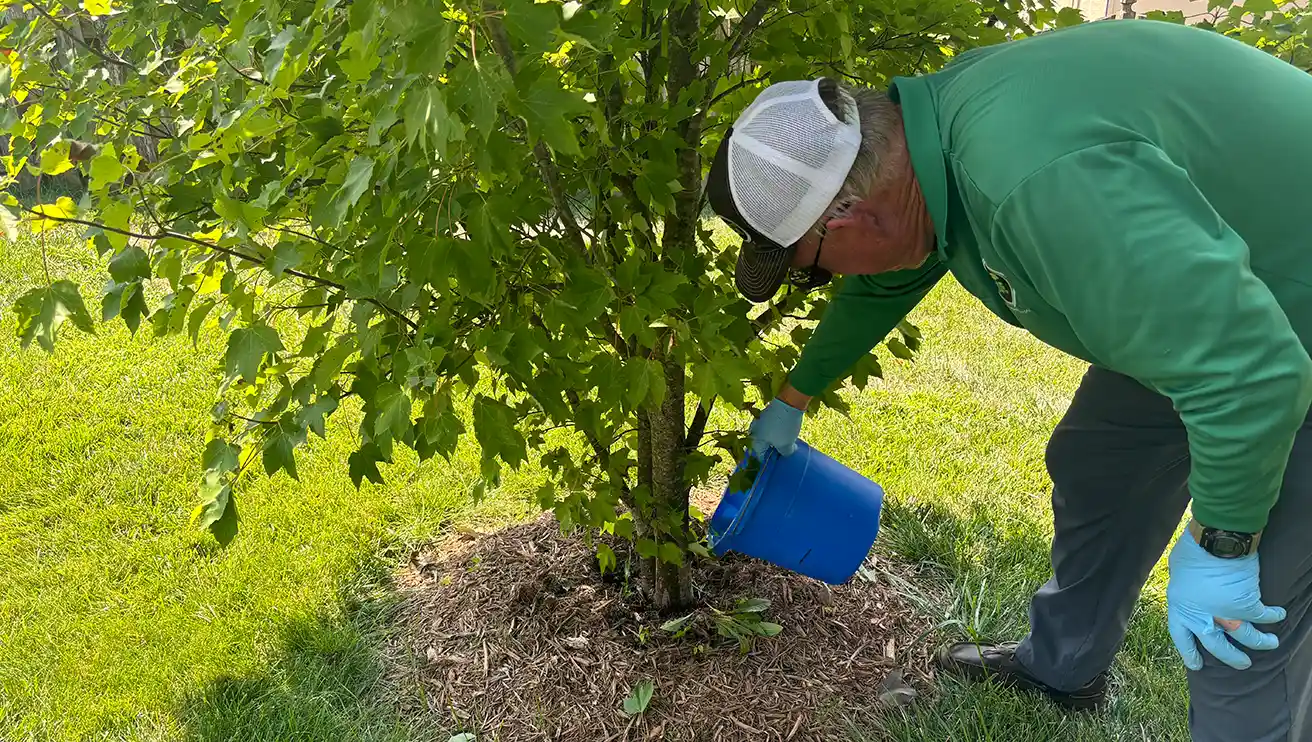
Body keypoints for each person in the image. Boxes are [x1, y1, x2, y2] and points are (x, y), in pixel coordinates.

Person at [704, 18, 1312, 742]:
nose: (824, 279)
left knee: (1238, 630)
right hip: (1217, 302)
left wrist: (1223, 549)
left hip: (1278, 333)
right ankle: (1064, 665)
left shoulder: (1035, 180)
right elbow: (887, 280)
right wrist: (793, 399)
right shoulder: (927, 147)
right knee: (1101, 461)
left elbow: (1251, 377)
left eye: (812, 266)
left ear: (849, 215)